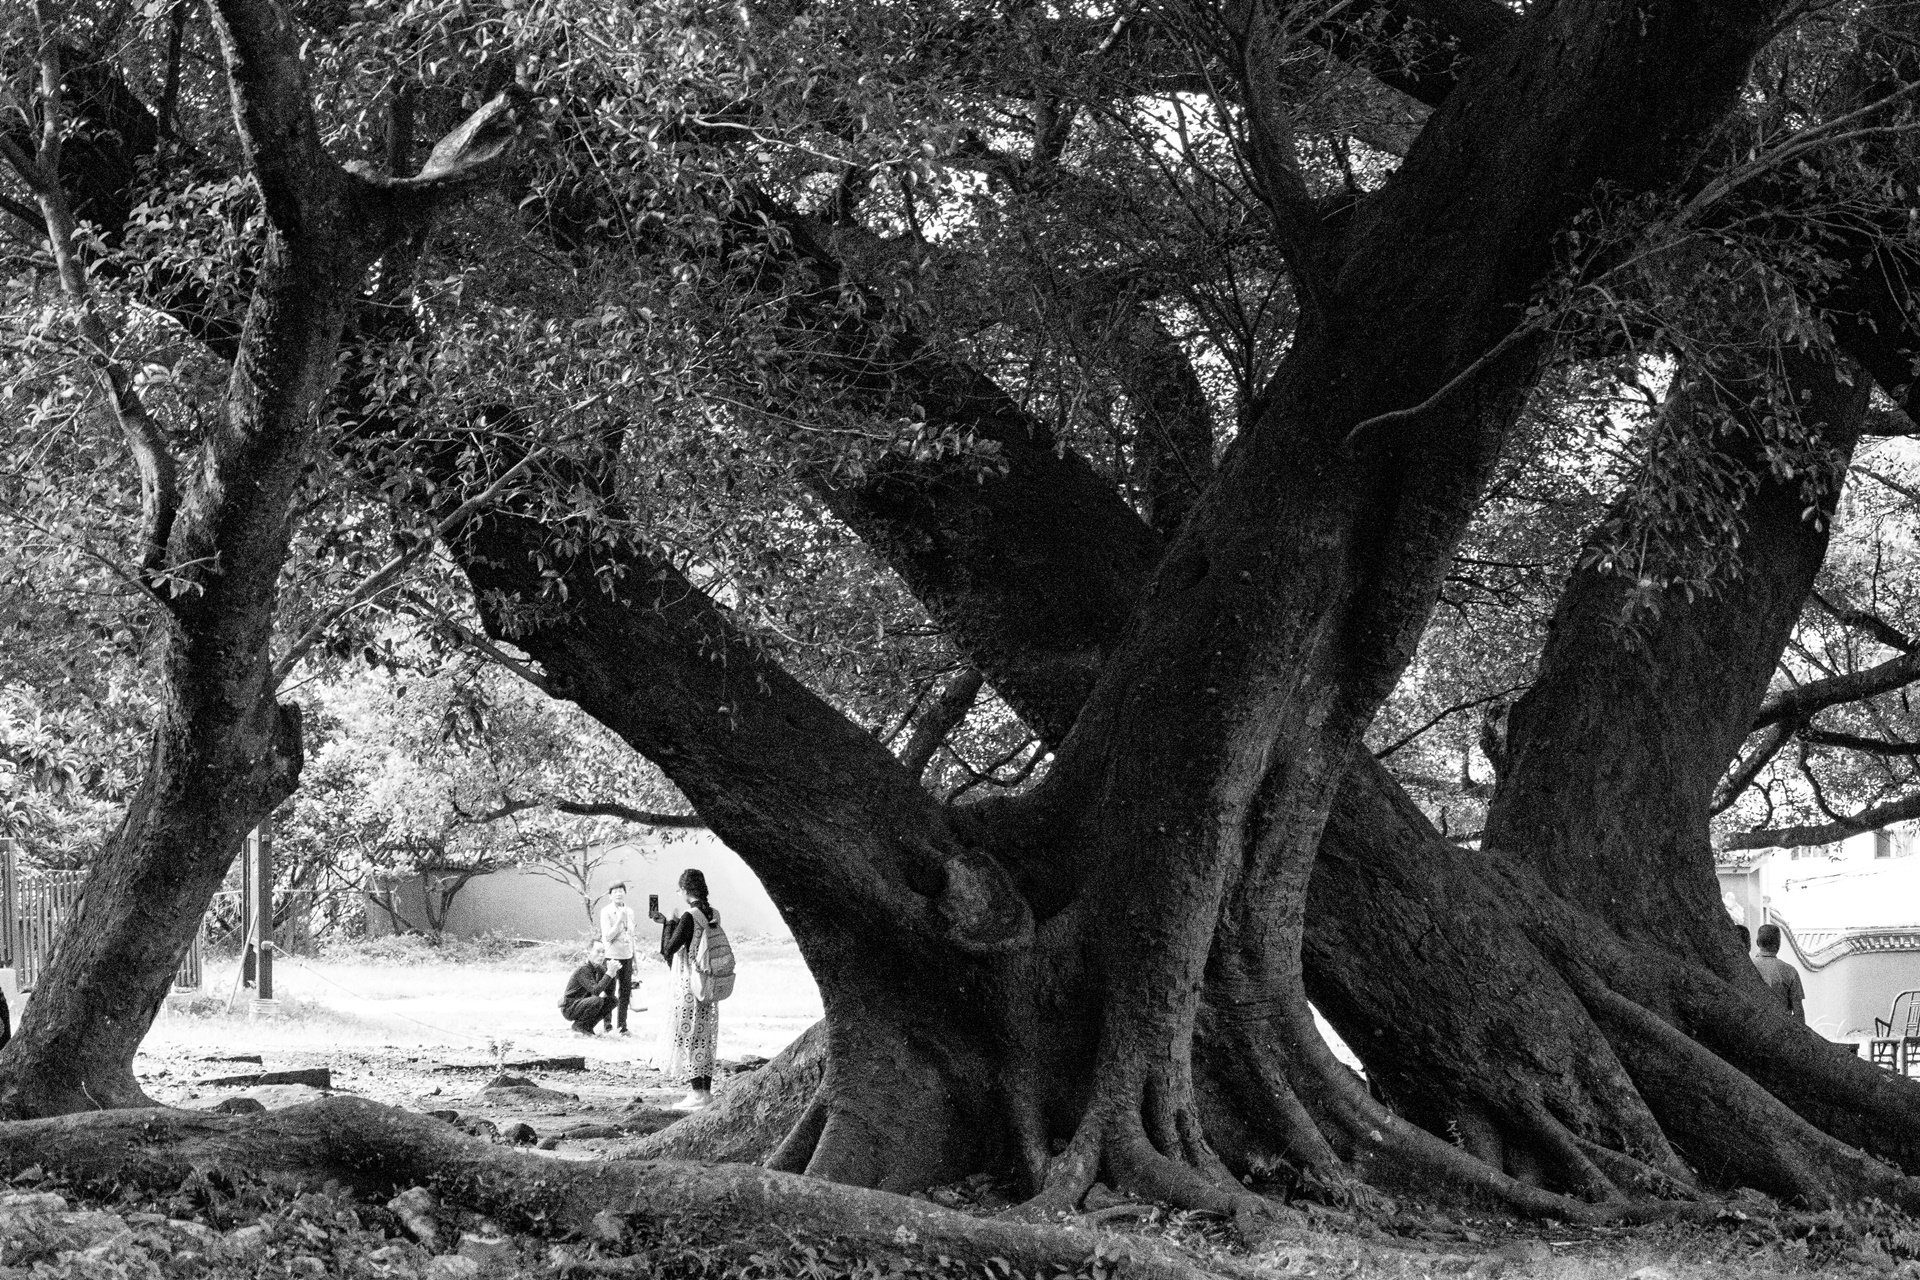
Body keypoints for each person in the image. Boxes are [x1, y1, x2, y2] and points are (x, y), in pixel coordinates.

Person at [652, 868, 720, 1110]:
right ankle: (706, 1092)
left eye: (679, 889)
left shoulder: (690, 916)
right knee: (705, 1038)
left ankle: (696, 1094)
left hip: (689, 985)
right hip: (708, 983)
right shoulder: (713, 914)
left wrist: (669, 922)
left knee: (688, 1037)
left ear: (685, 890)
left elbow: (668, 950)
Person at [599, 882, 638, 1035]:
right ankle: (607, 1026)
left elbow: (632, 936)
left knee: (625, 992)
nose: (619, 894)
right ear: (610, 895)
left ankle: (622, 1026)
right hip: (612, 956)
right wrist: (619, 920)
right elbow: (608, 936)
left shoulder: (630, 911)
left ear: (625, 893)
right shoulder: (606, 911)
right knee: (610, 992)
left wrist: (635, 960)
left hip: (627, 956)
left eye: (621, 890)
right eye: (615, 891)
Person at [560, 940, 616, 1036]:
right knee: (597, 1000)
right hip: (570, 1007)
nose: (601, 955)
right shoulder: (583, 969)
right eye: (598, 952)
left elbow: (610, 992)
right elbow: (595, 991)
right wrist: (609, 974)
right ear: (588, 953)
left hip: (584, 1002)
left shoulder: (600, 969)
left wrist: (613, 974)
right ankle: (578, 1026)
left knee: (612, 1000)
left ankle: (588, 1027)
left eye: (603, 952)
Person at [1752, 924, 1805, 1022]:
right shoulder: (1790, 971)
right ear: (1778, 944)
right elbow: (1799, 1014)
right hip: (1781, 1028)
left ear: (1757, 942)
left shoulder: (1747, 967)